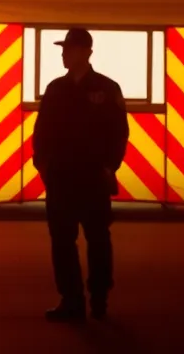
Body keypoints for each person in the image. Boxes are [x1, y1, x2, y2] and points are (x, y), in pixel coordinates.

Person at [31, 27, 129, 323]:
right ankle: (71, 300)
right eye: (63, 49)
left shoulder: (107, 88)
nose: (63, 53)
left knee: (98, 239)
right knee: (62, 241)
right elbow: (42, 131)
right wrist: (44, 166)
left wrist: (109, 167)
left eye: (68, 49)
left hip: (92, 179)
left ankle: (99, 298)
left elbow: (119, 132)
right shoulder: (55, 89)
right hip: (61, 178)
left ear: (85, 52)